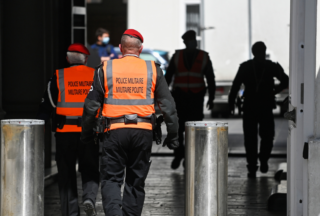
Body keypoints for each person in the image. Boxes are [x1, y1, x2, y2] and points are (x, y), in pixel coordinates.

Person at [80, 29, 179, 216]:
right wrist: (173, 135)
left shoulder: (105, 69)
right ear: (140, 50)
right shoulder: (153, 69)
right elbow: (168, 105)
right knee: (136, 181)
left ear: (120, 48)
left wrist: (86, 134)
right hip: (143, 132)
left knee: (111, 179)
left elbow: (91, 106)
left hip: (113, 131)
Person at [36, 43, 100, 216]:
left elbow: (46, 107)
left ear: (67, 59)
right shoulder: (96, 76)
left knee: (66, 173)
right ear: (86, 59)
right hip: (90, 132)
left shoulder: (58, 77)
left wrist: (39, 127)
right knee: (90, 168)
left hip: (65, 133)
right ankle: (89, 198)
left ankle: (70, 213)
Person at [228, 41, 289, 178]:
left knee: (250, 138)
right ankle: (263, 159)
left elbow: (236, 85)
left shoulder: (245, 67)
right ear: (264, 51)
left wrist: (231, 103)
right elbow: (286, 80)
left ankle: (252, 166)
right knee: (267, 136)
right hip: (265, 106)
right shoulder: (271, 66)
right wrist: (275, 90)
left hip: (250, 106)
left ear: (253, 52)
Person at [165, 30, 216, 169]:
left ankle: (189, 157)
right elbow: (168, 77)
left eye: (192, 40)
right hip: (180, 97)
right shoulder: (177, 56)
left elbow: (210, 78)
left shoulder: (203, 56)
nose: (191, 42)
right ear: (185, 42)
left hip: (195, 98)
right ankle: (179, 154)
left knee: (193, 130)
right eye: (189, 41)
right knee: (179, 128)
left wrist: (211, 98)